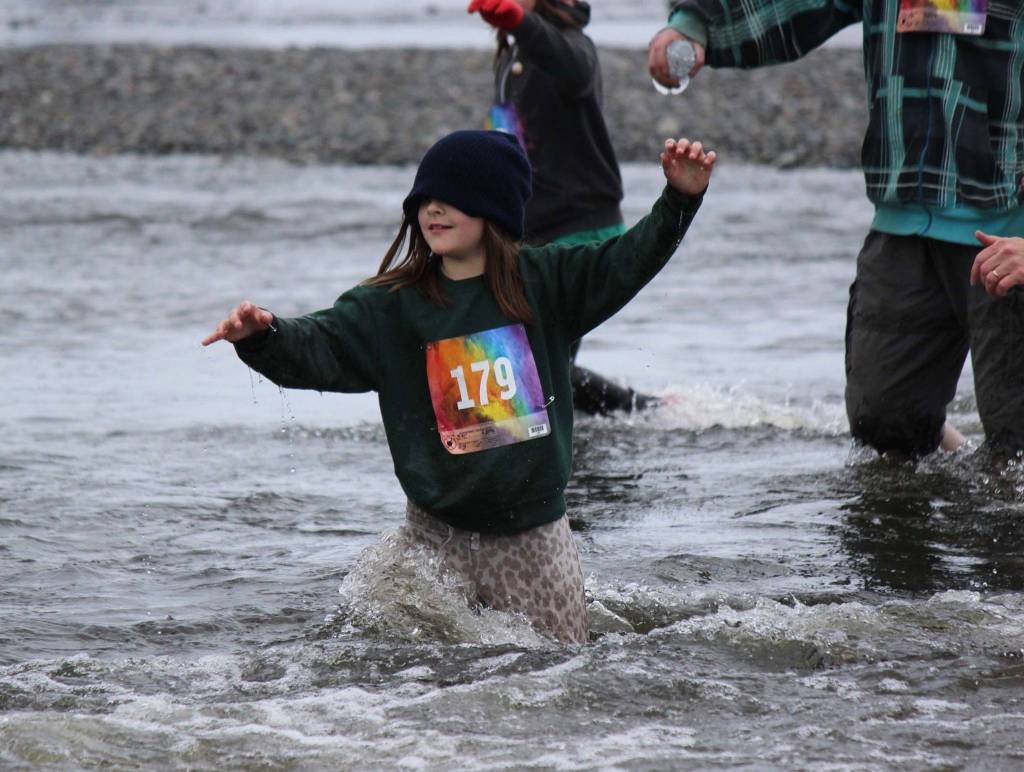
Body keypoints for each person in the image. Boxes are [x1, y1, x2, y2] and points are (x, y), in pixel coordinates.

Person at [202, 129, 716, 643]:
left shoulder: (548, 283)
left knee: (556, 671)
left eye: (453, 199)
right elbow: (320, 343)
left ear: (492, 207)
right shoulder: (391, 307)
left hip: (531, 541)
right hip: (433, 539)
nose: (434, 211)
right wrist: (265, 335)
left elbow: (630, 259)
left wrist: (681, 199)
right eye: (425, 199)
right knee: (420, 677)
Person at [649, 0, 1024, 458]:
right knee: (883, 432)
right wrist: (695, 28)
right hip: (903, 226)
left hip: (1012, 237)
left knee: (1016, 452)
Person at [468, 0, 656, 416]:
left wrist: (522, 22)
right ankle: (631, 418)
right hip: (532, 236)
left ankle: (647, 412)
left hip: (578, 233)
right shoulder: (512, 55)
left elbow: (573, 69)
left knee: (533, 368)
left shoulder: (572, 44)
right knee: (527, 366)